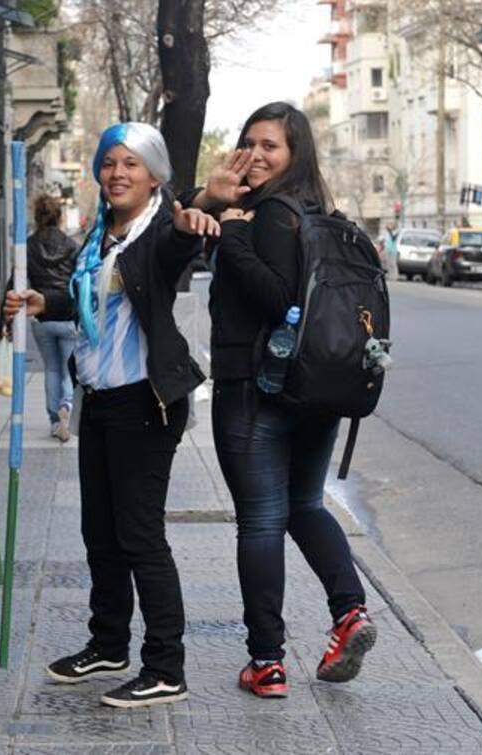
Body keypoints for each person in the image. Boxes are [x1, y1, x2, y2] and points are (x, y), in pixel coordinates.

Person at [4, 123, 219, 708]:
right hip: (97, 399)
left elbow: (177, 245)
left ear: (154, 175)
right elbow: (97, 297)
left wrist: (199, 209)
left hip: (143, 403)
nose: (118, 173)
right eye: (109, 164)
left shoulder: (157, 232)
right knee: (99, 533)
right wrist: (45, 300)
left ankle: (166, 666)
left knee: (140, 536)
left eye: (131, 164)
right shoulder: (103, 234)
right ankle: (108, 644)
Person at [188, 101, 376, 698]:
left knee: (262, 522)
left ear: (295, 154)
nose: (258, 155)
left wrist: (236, 236)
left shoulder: (269, 214)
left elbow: (276, 298)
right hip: (318, 392)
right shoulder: (321, 213)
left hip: (256, 389)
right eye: (250, 143)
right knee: (304, 505)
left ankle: (267, 661)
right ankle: (349, 612)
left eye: (271, 146)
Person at [27, 194, 79, 441]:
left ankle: (54, 420)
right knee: (69, 369)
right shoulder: (71, 245)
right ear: (59, 217)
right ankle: (67, 406)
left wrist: (4, 321)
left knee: (51, 369)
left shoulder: (28, 245)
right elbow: (80, 281)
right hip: (68, 315)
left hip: (41, 316)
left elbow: (15, 280)